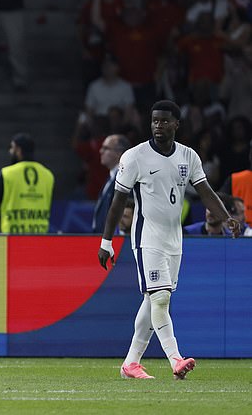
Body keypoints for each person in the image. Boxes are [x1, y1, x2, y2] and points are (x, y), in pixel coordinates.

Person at [97, 100, 240, 380]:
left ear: (177, 124)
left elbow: (205, 191)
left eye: (164, 121)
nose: (158, 126)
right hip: (146, 237)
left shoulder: (189, 156)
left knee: (154, 302)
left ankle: (130, 364)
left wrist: (226, 217)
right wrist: (106, 241)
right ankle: (175, 359)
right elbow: (118, 202)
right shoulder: (135, 157)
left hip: (174, 240)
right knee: (160, 298)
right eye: (154, 121)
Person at [0, 132, 54, 233]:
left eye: (12, 148)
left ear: (18, 150)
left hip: (9, 235)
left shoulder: (6, 173)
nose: (10, 151)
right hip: (39, 234)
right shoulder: (48, 175)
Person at [92, 133, 131, 233]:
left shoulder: (125, 179)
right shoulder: (110, 178)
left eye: (106, 148)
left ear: (119, 153)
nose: (101, 151)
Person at [220, 138, 252, 225]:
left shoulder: (235, 179)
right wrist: (232, 202)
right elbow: (218, 199)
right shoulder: (234, 179)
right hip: (239, 232)